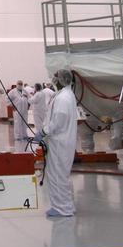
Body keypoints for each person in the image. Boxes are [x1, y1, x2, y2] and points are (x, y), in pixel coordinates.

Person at [42, 68, 78, 218]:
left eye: (55, 78)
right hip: (62, 142)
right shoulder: (66, 95)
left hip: (59, 142)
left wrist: (43, 132)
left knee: (57, 176)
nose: (53, 80)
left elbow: (58, 122)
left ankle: (63, 209)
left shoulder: (63, 98)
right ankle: (66, 205)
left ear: (61, 80)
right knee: (61, 175)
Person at [6, 82, 32, 148]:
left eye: (21, 84)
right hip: (17, 109)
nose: (20, 85)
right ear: (17, 84)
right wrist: (12, 106)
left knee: (24, 122)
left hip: (24, 109)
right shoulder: (12, 92)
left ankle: (24, 135)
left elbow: (30, 98)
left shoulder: (25, 91)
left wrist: (29, 105)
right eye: (19, 84)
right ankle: (17, 137)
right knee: (17, 123)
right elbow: (7, 99)